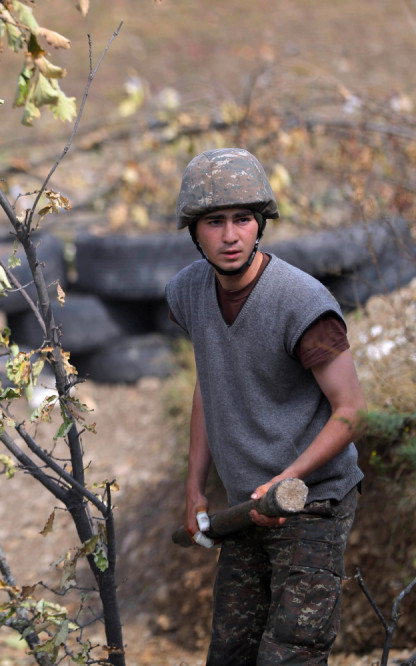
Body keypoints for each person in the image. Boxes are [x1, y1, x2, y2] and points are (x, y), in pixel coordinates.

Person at [165, 148, 365, 665]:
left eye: (243, 220)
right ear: (194, 231)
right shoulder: (187, 292)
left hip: (312, 500)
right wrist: (193, 489)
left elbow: (350, 409)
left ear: (260, 226)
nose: (230, 235)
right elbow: (211, 384)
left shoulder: (302, 303)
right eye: (215, 222)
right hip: (246, 509)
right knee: (230, 653)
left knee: (289, 656)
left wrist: (288, 479)